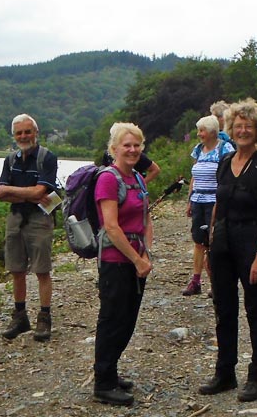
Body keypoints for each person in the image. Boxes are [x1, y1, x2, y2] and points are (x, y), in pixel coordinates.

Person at [199, 98, 257, 402]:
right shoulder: (224, 162)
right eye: (238, 126)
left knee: (256, 307)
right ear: (230, 129)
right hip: (223, 243)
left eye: (249, 126)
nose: (243, 130)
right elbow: (218, 204)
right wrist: (210, 247)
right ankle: (225, 372)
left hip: (251, 240)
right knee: (224, 308)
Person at [93, 122, 153, 406]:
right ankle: (103, 382)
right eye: (126, 145)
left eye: (136, 145)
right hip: (116, 261)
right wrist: (137, 259)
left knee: (128, 319)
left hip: (137, 260)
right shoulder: (108, 179)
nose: (132, 150)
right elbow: (112, 227)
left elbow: (145, 216)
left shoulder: (138, 178)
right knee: (112, 319)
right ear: (114, 148)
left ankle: (111, 370)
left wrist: (147, 253)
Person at [0, 114, 58, 341]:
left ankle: (44, 319)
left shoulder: (47, 158)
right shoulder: (9, 160)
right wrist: (30, 195)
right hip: (15, 219)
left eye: (27, 132)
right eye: (19, 133)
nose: (23, 136)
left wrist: (16, 192)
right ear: (14, 135)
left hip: (40, 220)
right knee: (16, 269)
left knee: (42, 270)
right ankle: (20, 317)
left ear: (36, 133)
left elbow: (40, 193)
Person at [183, 115, 234, 297]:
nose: (199, 134)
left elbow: (229, 176)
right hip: (199, 200)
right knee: (198, 241)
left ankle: (216, 282)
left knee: (214, 242)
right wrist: (190, 200)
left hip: (215, 201)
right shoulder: (198, 150)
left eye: (202, 131)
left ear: (212, 132)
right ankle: (196, 281)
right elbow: (194, 177)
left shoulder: (225, 149)